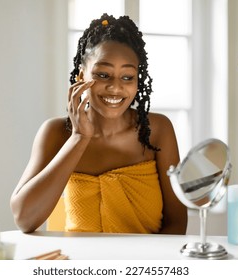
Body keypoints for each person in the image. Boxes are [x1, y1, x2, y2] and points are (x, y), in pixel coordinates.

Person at [10, 14, 187, 234]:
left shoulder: (157, 130)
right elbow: (24, 219)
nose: (115, 87)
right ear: (82, 76)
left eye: (127, 77)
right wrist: (78, 138)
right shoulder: (56, 133)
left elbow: (178, 222)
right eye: (103, 74)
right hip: (79, 264)